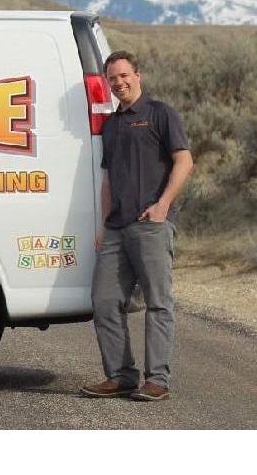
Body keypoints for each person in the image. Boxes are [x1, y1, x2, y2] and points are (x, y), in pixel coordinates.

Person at [81, 51, 194, 402]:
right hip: (117, 228)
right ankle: (120, 376)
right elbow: (107, 180)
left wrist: (162, 206)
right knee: (104, 300)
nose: (120, 83)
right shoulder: (112, 125)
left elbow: (184, 161)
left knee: (158, 303)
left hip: (151, 225)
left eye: (124, 76)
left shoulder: (160, 114)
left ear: (138, 75)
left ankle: (157, 380)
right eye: (113, 79)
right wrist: (103, 226)